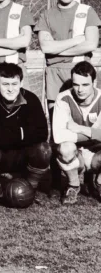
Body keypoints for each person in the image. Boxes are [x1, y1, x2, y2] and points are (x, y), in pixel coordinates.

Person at [0, 62, 49, 205]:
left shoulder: (31, 99)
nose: (10, 89)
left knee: (43, 149)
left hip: (23, 155)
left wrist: (2, 133)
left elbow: (42, 133)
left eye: (14, 84)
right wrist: (22, 133)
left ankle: (31, 186)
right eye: (5, 84)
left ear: (21, 83)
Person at [36, 0, 101, 115]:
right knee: (56, 118)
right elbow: (46, 47)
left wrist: (56, 50)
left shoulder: (87, 11)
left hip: (81, 71)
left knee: (84, 118)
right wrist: (77, 40)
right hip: (54, 72)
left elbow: (91, 44)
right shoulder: (46, 15)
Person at [53, 61, 101, 204]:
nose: (80, 90)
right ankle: (73, 185)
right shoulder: (63, 98)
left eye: (85, 84)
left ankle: (100, 183)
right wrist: (96, 134)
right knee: (65, 147)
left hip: (97, 154)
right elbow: (59, 136)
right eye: (76, 84)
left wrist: (80, 128)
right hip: (76, 154)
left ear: (94, 82)